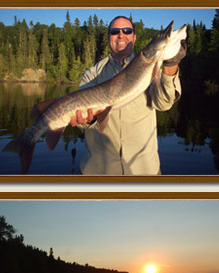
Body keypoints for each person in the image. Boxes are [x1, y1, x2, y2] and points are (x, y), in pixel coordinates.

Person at [37, 16, 186, 175]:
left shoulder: (151, 66)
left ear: (134, 37)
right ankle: (30, 138)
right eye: (115, 32)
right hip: (99, 173)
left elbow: (164, 103)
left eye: (127, 31)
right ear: (109, 38)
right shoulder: (93, 74)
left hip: (143, 171)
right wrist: (89, 120)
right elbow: (82, 123)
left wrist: (171, 65)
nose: (121, 35)